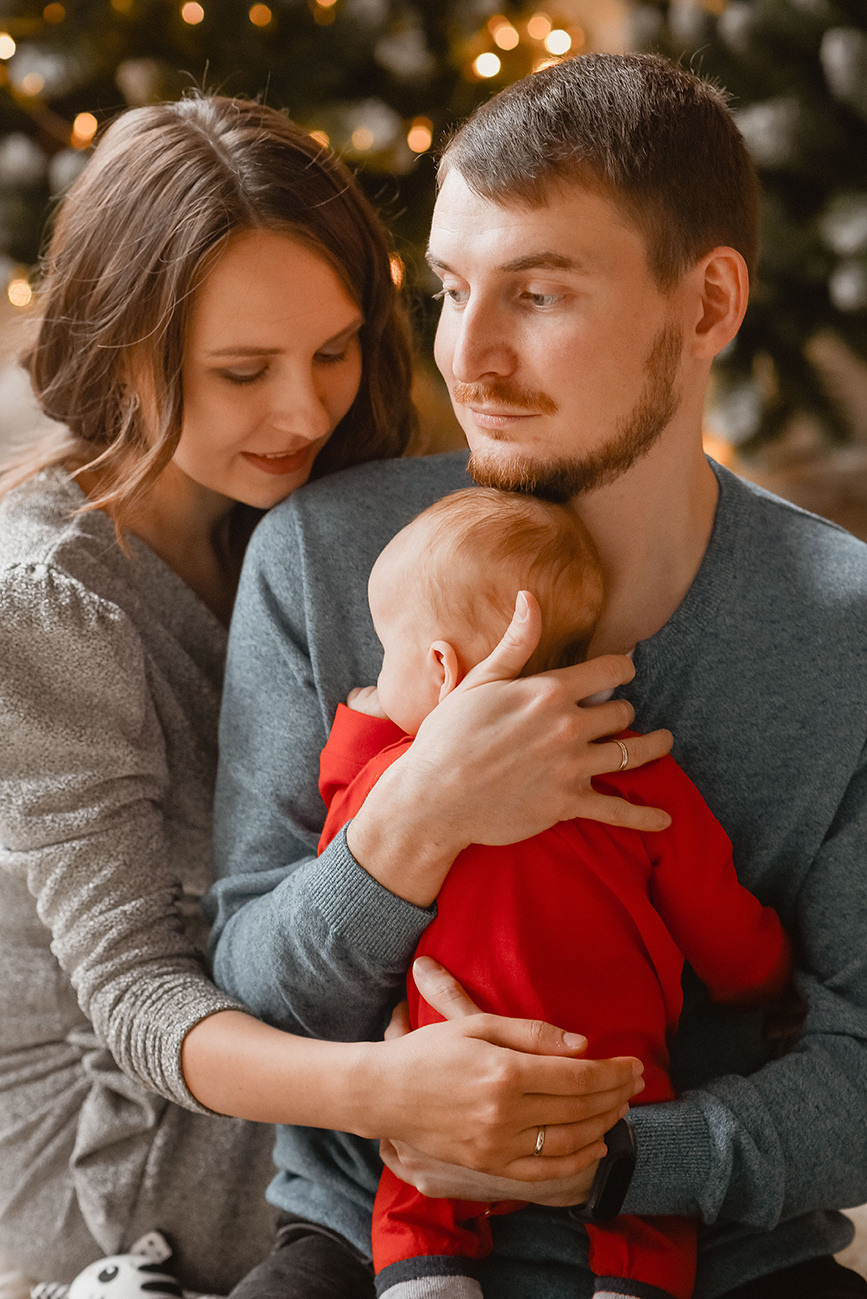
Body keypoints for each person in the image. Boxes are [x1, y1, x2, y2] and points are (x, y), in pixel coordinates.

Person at [208, 52, 867, 1299]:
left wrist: (605, 1159)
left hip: (716, 1259)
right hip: (369, 1246)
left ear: (711, 305)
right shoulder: (325, 553)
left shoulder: (843, 631)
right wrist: (413, 818)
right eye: (454, 290)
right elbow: (247, 980)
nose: (471, 359)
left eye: (540, 294)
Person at [0, 89, 653, 1298]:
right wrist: (387, 1086)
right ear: (118, 347)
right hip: (149, 1166)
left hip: (369, 1075)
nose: (305, 412)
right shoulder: (46, 599)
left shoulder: (328, 525)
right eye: (242, 371)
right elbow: (140, 999)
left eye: (336, 350)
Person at [313, 486, 793, 1299]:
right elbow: (718, 917)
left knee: (413, 1192)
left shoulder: (390, 783)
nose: (374, 670)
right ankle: (633, 1281)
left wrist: (361, 729)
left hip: (446, 1071)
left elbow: (339, 857)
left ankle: (427, 1278)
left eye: (384, 650)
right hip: (608, 1068)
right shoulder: (637, 766)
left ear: (439, 669)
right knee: (645, 1204)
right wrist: (763, 979)